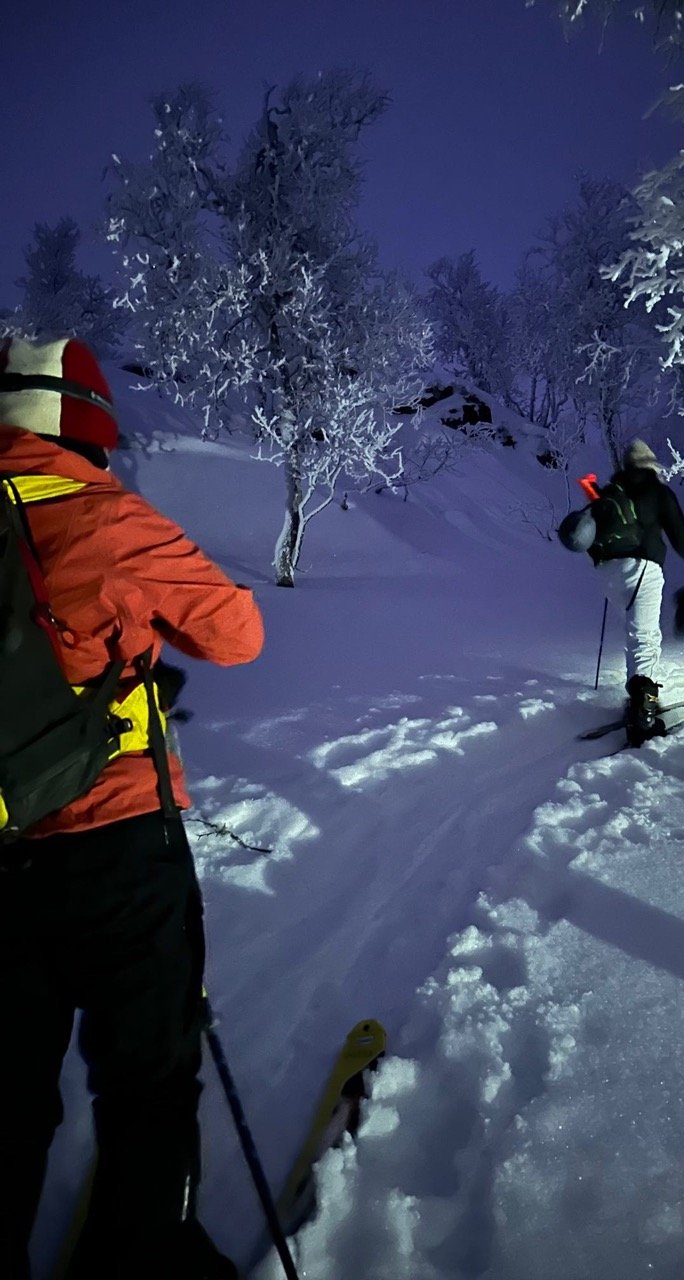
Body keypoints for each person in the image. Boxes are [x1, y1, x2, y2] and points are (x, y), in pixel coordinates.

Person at [0, 337, 264, 1280]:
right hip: (117, 842)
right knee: (148, 1073)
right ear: (86, 420)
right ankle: (145, 1258)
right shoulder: (108, 515)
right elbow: (238, 635)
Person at [590, 438, 684, 742]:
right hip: (643, 570)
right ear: (650, 465)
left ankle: (638, 696)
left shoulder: (608, 494)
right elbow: (680, 539)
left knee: (636, 635)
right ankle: (643, 714)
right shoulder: (658, 493)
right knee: (645, 637)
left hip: (608, 574)